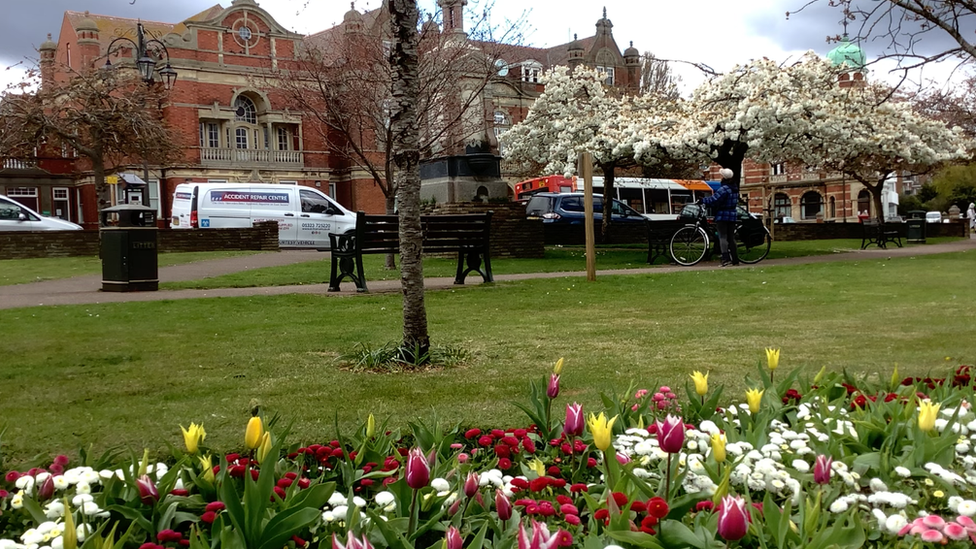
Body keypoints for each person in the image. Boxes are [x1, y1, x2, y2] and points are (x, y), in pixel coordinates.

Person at [701, 168, 739, 266]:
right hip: (732, 215)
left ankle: (725, 259)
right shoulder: (734, 189)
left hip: (722, 215)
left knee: (723, 237)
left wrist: (703, 200)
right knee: (731, 237)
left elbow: (714, 200)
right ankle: (735, 259)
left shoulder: (724, 189)